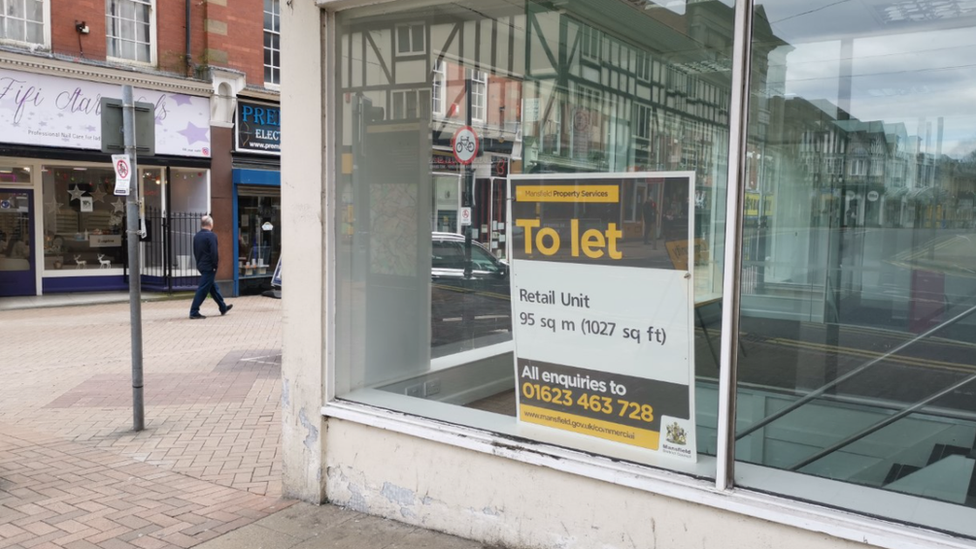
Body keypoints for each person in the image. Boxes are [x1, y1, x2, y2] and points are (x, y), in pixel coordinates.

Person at [189, 215, 232, 319]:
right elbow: (214, 252)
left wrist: (199, 263)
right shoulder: (211, 236)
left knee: (213, 287)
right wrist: (215, 265)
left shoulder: (197, 236)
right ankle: (194, 311)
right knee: (203, 289)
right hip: (209, 266)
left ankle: (222, 307)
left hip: (201, 264)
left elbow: (195, 251)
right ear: (211, 224)